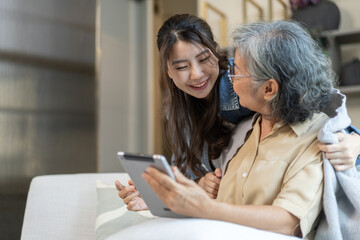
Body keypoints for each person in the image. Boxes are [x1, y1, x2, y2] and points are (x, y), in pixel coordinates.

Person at [116, 14, 360, 210]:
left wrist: (354, 140)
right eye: (181, 67)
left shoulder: (241, 78)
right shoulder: (178, 113)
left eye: (203, 59)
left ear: (216, 51)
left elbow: (318, 94)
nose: (196, 74)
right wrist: (155, 190)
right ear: (168, 71)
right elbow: (186, 169)